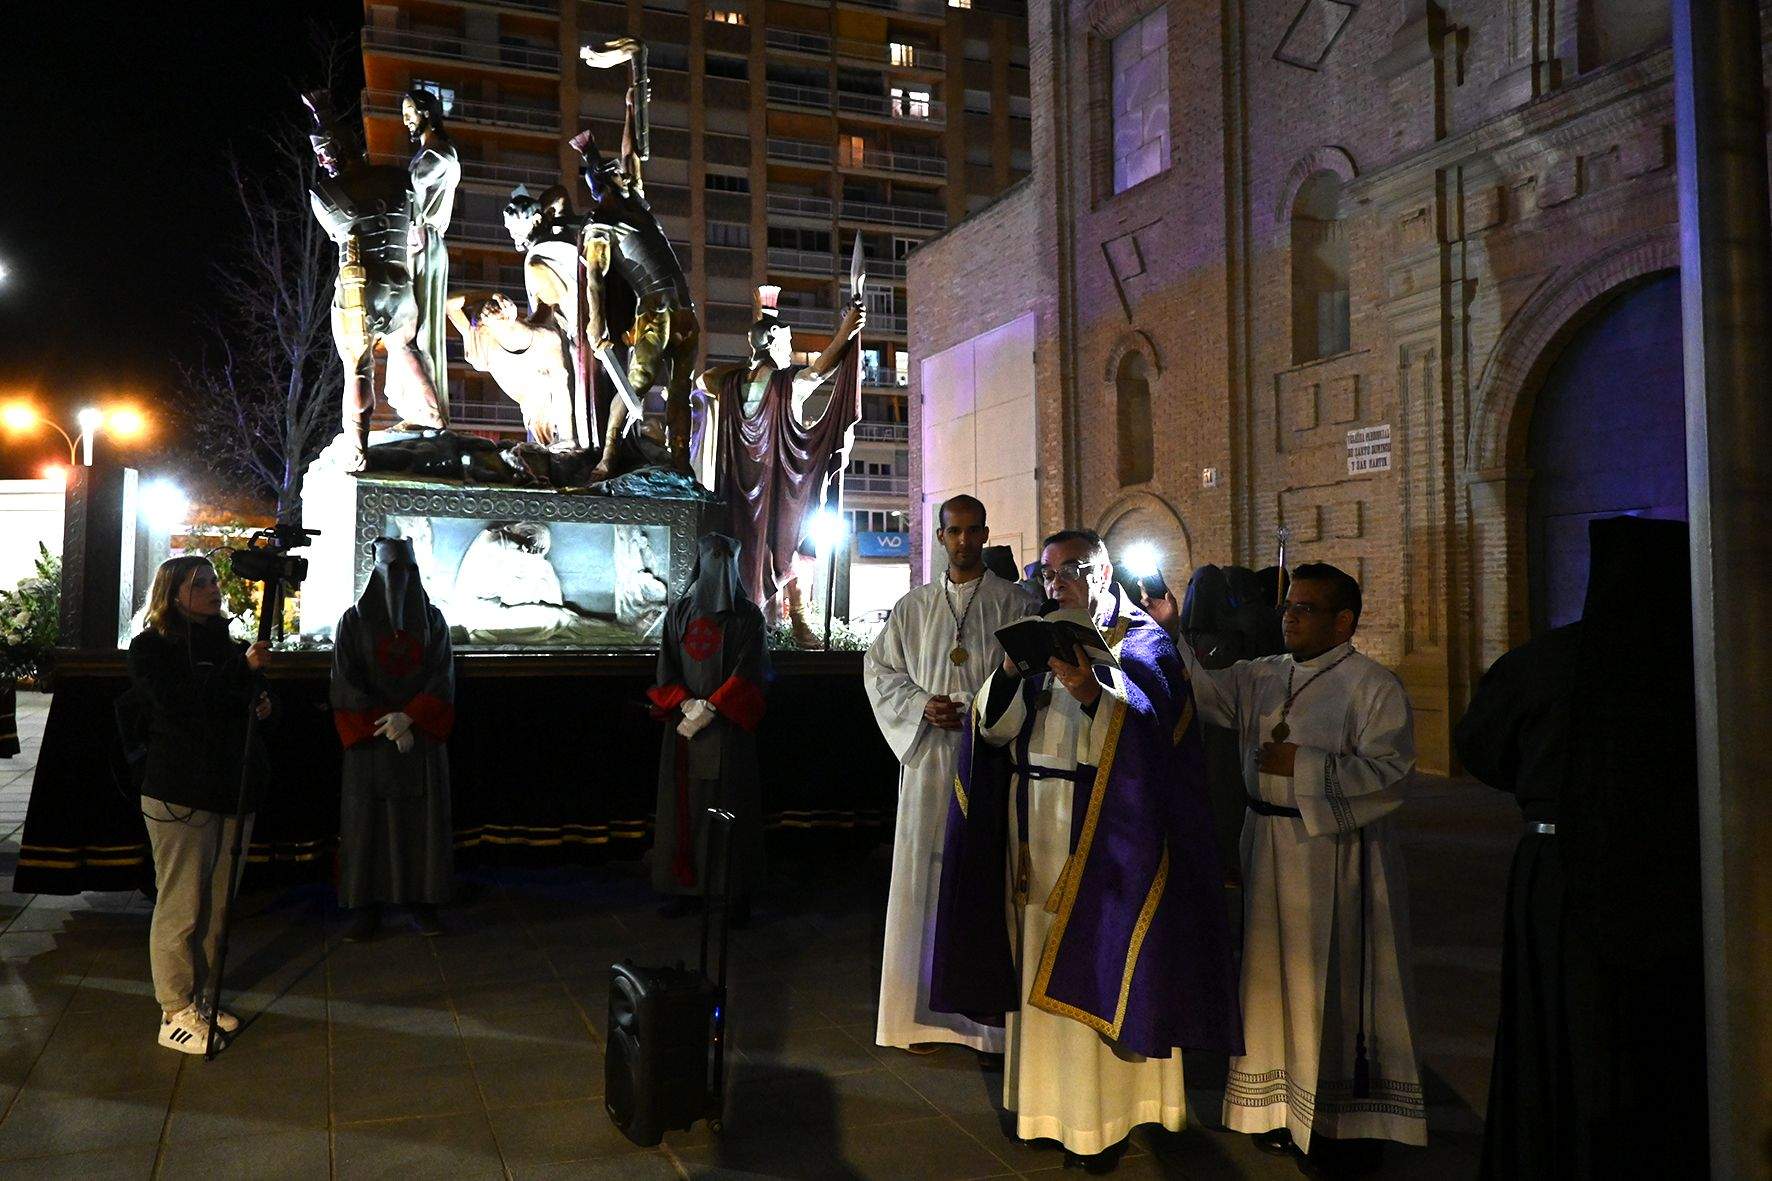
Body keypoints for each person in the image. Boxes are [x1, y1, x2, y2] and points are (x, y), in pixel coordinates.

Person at [931, 530, 1240, 1167]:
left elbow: (1159, 751)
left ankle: (1101, 1123)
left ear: (1103, 571)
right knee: (1035, 960)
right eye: (1048, 573)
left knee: (1100, 962)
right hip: (1032, 827)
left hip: (1107, 837)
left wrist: (1092, 693)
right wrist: (1012, 673)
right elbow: (991, 731)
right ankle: (1043, 1110)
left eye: (1072, 568)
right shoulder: (1037, 638)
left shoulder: (1143, 644)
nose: (1058, 582)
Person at [1457, 517, 1706, 1180]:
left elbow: (1481, 746)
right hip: (1678, 877)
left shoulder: (1547, 660)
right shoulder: (1703, 660)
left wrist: (1550, 795)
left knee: (1556, 1031)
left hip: (1559, 870)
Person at [1177, 562, 1424, 1175]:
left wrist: (1305, 765)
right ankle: (1277, 1109)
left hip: (1334, 857)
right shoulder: (1266, 674)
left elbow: (1392, 772)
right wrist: (1167, 632)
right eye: (1288, 606)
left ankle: (1339, 1114)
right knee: (1269, 979)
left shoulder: (1373, 685)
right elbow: (1202, 690)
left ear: (1344, 621)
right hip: (1265, 842)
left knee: (1328, 983)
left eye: (1305, 609)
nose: (1288, 616)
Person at [862, 495, 1034, 1054]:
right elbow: (880, 669)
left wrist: (976, 708)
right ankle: (914, 1018)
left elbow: (1031, 681)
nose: (962, 541)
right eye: (952, 531)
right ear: (940, 537)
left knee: (982, 878)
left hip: (987, 762)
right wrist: (920, 705)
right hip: (929, 762)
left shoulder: (1016, 605)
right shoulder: (911, 608)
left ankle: (985, 1028)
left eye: (971, 531)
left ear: (985, 534)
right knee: (921, 878)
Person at [126, 556, 272, 1054]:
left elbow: (233, 701)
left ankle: (202, 999)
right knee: (182, 905)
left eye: (213, 581)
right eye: (200, 583)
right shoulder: (152, 648)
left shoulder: (226, 644)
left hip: (231, 787)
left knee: (217, 905)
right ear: (172, 592)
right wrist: (240, 671)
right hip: (180, 791)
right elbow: (179, 704)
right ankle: (174, 1009)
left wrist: (260, 700)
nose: (213, 589)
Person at [699, 285, 865, 632]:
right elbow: (820, 370)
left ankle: (753, 620)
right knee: (788, 541)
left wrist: (759, 344)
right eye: (787, 343)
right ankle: (799, 619)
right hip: (776, 482)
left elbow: (704, 380)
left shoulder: (730, 385)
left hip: (737, 487)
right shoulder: (783, 384)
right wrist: (847, 330)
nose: (791, 351)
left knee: (748, 550)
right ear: (774, 341)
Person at [575, 37, 702, 481]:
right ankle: (609, 454)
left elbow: (631, 153)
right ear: (602, 185)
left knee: (681, 390)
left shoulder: (635, 203)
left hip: (684, 307)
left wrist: (632, 104)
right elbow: (594, 278)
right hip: (653, 310)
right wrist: (596, 323)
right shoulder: (600, 226)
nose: (622, 173)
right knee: (639, 383)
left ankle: (681, 460)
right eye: (613, 175)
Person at [304, 91, 446, 469]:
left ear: (337, 151)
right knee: (405, 349)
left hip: (358, 288)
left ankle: (357, 448)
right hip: (401, 288)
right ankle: (434, 416)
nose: (324, 161)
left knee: (358, 367)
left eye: (325, 153)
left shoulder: (325, 193)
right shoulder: (400, 179)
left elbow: (338, 230)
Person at [330, 538, 455, 940]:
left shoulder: (433, 621)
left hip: (420, 743)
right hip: (372, 740)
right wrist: (386, 723)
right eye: (390, 569)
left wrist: (411, 718)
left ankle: (424, 901)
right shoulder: (353, 621)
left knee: (423, 824)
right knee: (367, 823)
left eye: (405, 570)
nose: (396, 579)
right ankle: (364, 905)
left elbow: (442, 676)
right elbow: (344, 680)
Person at [647, 534, 769, 923]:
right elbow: (666, 666)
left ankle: (733, 893)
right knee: (684, 810)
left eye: (724, 559)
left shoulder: (749, 617)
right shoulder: (679, 613)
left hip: (729, 732)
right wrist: (685, 704)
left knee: (730, 810)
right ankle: (685, 888)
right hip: (684, 731)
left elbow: (750, 671)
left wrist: (712, 708)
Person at [401, 86, 461, 412]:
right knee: (408, 321)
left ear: (426, 112)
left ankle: (427, 409)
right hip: (416, 243)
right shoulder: (428, 155)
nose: (406, 119)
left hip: (424, 242)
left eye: (410, 111)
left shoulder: (439, 155)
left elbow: (409, 193)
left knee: (421, 322)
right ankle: (414, 405)